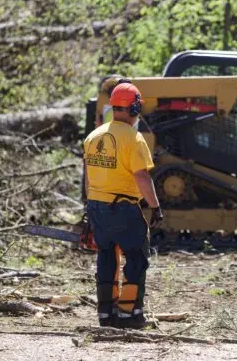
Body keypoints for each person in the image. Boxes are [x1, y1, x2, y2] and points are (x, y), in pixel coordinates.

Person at [83, 80, 163, 329]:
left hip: (97, 207)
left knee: (106, 256)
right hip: (123, 208)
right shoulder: (134, 139)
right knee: (136, 257)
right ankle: (131, 315)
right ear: (135, 107)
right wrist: (155, 206)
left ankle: (106, 315)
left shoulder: (93, 136)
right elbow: (142, 176)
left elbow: (87, 176)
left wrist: (89, 208)